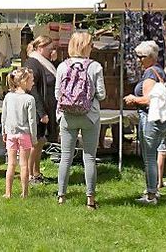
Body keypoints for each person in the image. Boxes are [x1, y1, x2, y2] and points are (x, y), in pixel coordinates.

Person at [54, 31, 106, 209]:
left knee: (65, 157)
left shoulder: (62, 66)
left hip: (67, 116)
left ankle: (61, 196)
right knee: (89, 157)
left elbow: (57, 93)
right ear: (85, 46)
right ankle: (90, 199)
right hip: (89, 116)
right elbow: (101, 94)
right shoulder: (95, 67)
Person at [123, 40, 166, 204]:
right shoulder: (159, 71)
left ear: (149, 57)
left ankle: (151, 194)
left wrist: (133, 98)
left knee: (149, 157)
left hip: (150, 119)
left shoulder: (150, 73)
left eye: (140, 57)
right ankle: (153, 189)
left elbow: (149, 100)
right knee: (153, 154)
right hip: (161, 120)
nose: (138, 60)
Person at [25, 35, 58, 184]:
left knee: (40, 141)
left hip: (45, 107)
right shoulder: (33, 62)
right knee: (35, 143)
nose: (52, 51)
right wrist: (41, 112)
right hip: (37, 110)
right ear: (40, 48)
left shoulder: (44, 62)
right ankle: (31, 174)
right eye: (50, 49)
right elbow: (32, 89)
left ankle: (36, 172)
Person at [1, 67, 37, 199]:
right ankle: (24, 193)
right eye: (31, 80)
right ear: (24, 81)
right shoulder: (29, 99)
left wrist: (3, 131)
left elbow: (4, 116)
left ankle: (8, 192)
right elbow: (32, 121)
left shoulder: (8, 97)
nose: (33, 83)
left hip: (10, 134)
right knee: (24, 165)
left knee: (11, 164)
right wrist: (33, 138)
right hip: (24, 135)